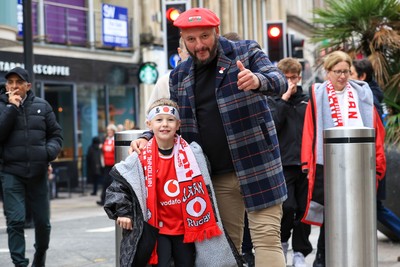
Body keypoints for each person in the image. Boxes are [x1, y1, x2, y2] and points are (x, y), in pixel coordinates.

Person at [131, 7, 288, 267]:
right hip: (216, 176)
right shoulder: (179, 75)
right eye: (191, 40)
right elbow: (173, 118)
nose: (199, 45)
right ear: (182, 39)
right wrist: (149, 136)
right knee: (226, 248)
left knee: (267, 240)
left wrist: (258, 80)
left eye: (204, 36)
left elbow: (279, 79)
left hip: (259, 167)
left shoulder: (245, 52)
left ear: (216, 31)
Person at [104, 98, 229, 267]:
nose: (165, 124)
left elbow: (206, 183)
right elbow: (119, 187)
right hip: (157, 229)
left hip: (186, 228)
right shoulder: (139, 157)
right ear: (149, 124)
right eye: (159, 120)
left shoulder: (193, 154)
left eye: (170, 120)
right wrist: (124, 212)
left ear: (178, 125)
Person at [301, 51, 386, 267]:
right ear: (328, 72)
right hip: (329, 165)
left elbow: (375, 129)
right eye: (338, 72)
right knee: (331, 217)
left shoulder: (362, 95)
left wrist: (377, 162)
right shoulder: (317, 95)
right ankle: (322, 260)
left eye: (346, 72)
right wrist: (307, 163)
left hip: (358, 164)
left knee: (359, 215)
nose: (343, 76)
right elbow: (309, 131)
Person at [0, 67, 63, 267]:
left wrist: (47, 153)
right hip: (10, 172)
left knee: (43, 224)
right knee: (16, 221)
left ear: (28, 86)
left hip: (38, 173)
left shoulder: (42, 107)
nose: (14, 86)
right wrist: (11, 108)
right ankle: (20, 264)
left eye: (19, 83)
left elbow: (56, 135)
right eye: (10, 82)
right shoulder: (2, 107)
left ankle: (40, 256)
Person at [268, 57, 312, 267]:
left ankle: (300, 253)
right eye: (287, 78)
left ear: (299, 77)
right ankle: (283, 241)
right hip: (283, 164)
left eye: (294, 78)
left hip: (304, 164)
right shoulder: (274, 101)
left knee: (304, 209)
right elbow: (273, 126)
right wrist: (284, 99)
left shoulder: (307, 101)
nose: (291, 82)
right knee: (287, 207)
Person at [351, 58, 400, 241]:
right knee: (375, 207)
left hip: (371, 161)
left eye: (351, 73)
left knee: (375, 207)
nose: (346, 77)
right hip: (372, 161)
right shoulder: (370, 95)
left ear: (362, 76)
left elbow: (374, 134)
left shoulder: (368, 100)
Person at [146, 37, 190, 111]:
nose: (193, 58)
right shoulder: (165, 82)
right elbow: (150, 116)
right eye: (189, 53)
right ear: (180, 52)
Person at [97, 123, 117, 206]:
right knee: (105, 182)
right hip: (106, 165)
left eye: (110, 130)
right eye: (108, 130)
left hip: (113, 165)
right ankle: (103, 199)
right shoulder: (105, 140)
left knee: (112, 183)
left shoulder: (115, 140)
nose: (109, 132)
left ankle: (112, 200)